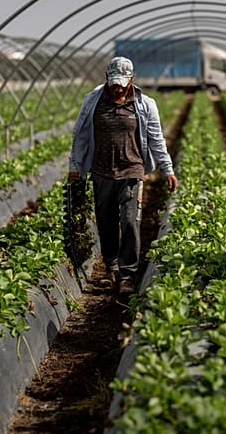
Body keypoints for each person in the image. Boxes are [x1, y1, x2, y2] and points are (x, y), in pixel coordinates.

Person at [68, 56, 178, 295]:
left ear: (131, 80)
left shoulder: (144, 104)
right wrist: (75, 168)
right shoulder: (93, 101)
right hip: (101, 171)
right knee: (106, 221)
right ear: (106, 78)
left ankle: (127, 275)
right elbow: (80, 137)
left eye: (121, 83)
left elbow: (157, 139)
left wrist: (167, 169)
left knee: (130, 223)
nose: (117, 87)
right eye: (113, 82)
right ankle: (111, 267)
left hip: (132, 171)